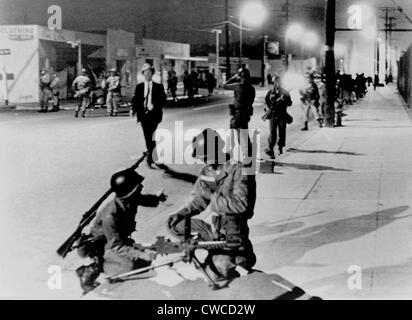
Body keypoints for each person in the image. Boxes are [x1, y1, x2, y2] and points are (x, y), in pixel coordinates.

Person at [167, 128, 256, 282]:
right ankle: (215, 250)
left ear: (218, 149)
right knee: (176, 224)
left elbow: (241, 205)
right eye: (203, 158)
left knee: (214, 273)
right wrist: (181, 213)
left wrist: (212, 197)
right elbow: (198, 200)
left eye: (207, 156)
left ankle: (239, 257)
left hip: (234, 235)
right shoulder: (207, 171)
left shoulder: (238, 169)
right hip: (216, 231)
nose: (205, 161)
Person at [76, 169, 167, 293]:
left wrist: (157, 198)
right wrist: (141, 254)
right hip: (104, 246)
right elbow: (116, 246)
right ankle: (93, 268)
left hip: (117, 240)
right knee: (128, 267)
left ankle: (107, 262)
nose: (141, 187)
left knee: (144, 264)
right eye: (137, 187)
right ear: (128, 192)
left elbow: (145, 199)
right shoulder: (110, 215)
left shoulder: (129, 199)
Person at [131, 63, 167, 167]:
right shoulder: (139, 87)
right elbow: (136, 100)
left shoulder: (159, 87)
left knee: (151, 135)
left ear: (152, 74)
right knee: (147, 136)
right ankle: (151, 155)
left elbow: (163, 100)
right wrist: (133, 110)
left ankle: (151, 155)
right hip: (143, 115)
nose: (147, 74)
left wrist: (154, 106)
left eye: (149, 72)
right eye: (145, 73)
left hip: (154, 115)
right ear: (143, 74)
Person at [223, 67, 255, 162]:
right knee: (242, 133)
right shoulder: (251, 88)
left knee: (236, 133)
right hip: (245, 113)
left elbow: (224, 85)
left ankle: (242, 154)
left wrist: (233, 77)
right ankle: (247, 153)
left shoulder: (237, 86)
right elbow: (251, 101)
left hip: (238, 113)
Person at [263, 75, 292, 158]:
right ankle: (271, 149)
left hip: (282, 114)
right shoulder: (271, 92)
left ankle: (280, 147)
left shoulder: (285, 92)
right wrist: (267, 108)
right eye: (275, 82)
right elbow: (266, 101)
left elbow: (290, 103)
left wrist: (284, 99)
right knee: (272, 133)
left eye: (278, 82)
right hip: (273, 115)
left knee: (282, 132)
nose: (276, 84)